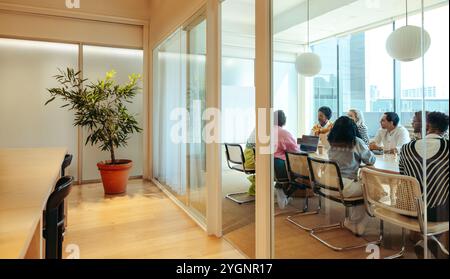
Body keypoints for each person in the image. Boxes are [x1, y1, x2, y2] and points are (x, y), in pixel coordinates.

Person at [399, 112, 449, 258]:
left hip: (409, 208)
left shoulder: (406, 148)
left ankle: (428, 241)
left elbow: (403, 177)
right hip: (438, 212)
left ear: (427, 126)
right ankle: (436, 243)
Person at [328, 116, 376, 236]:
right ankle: (360, 224)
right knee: (373, 191)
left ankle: (352, 222)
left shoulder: (332, 142)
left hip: (329, 185)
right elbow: (371, 159)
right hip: (345, 187)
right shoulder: (355, 141)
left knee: (362, 190)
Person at [273, 110, 300, 209]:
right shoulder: (283, 133)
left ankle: (280, 188)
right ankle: (285, 194)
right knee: (302, 176)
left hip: (266, 167)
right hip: (278, 167)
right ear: (283, 120)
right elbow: (295, 150)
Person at [243, 129, 256, 196]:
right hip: (251, 163)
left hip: (246, 161)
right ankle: (255, 180)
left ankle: (255, 179)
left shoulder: (255, 131)